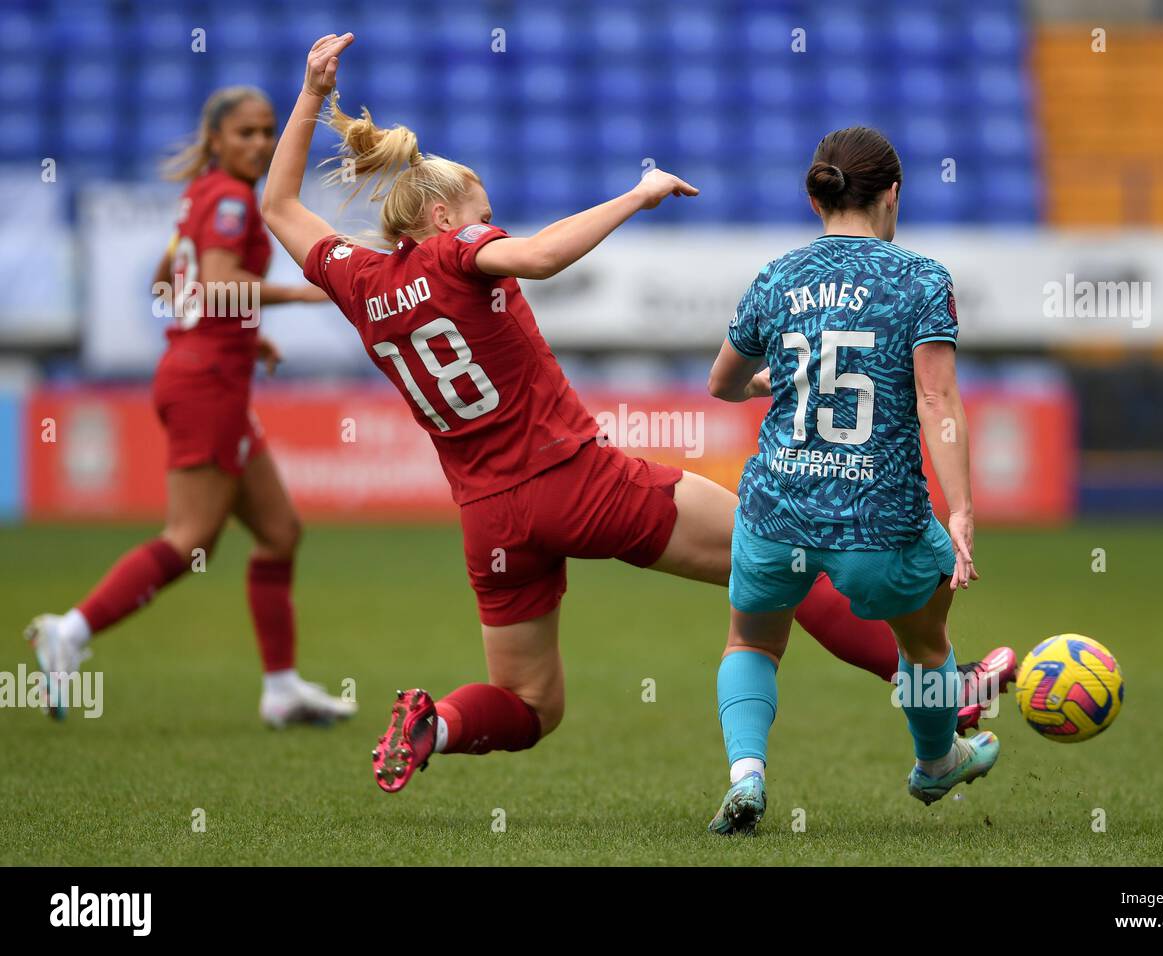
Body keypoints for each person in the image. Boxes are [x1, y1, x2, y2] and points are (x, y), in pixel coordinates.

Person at [261, 35, 1010, 794]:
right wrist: (637, 194)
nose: (494, 224)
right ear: (439, 211)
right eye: (485, 214)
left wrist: (311, 95)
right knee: (782, 556)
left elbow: (278, 205)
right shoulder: (458, 253)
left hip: (489, 516)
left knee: (529, 704)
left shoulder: (353, 279)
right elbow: (542, 256)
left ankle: (440, 721)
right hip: (576, 481)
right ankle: (952, 692)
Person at [25, 85, 356, 728]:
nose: (261, 143)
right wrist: (307, 291)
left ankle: (282, 689)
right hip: (206, 385)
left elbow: (166, 284)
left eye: (267, 132)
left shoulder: (201, 196)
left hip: (208, 373)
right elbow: (217, 281)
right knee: (191, 537)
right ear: (215, 141)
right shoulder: (231, 200)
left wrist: (241, 333)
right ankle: (69, 630)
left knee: (280, 532)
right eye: (246, 134)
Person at [704, 126, 1002, 835]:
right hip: (882, 521)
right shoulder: (922, 278)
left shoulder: (777, 276)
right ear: (892, 195)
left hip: (778, 509)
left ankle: (747, 775)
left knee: (751, 642)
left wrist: (768, 386)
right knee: (925, 644)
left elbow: (722, 382)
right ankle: (936, 762)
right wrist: (960, 510)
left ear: (816, 198)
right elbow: (937, 401)